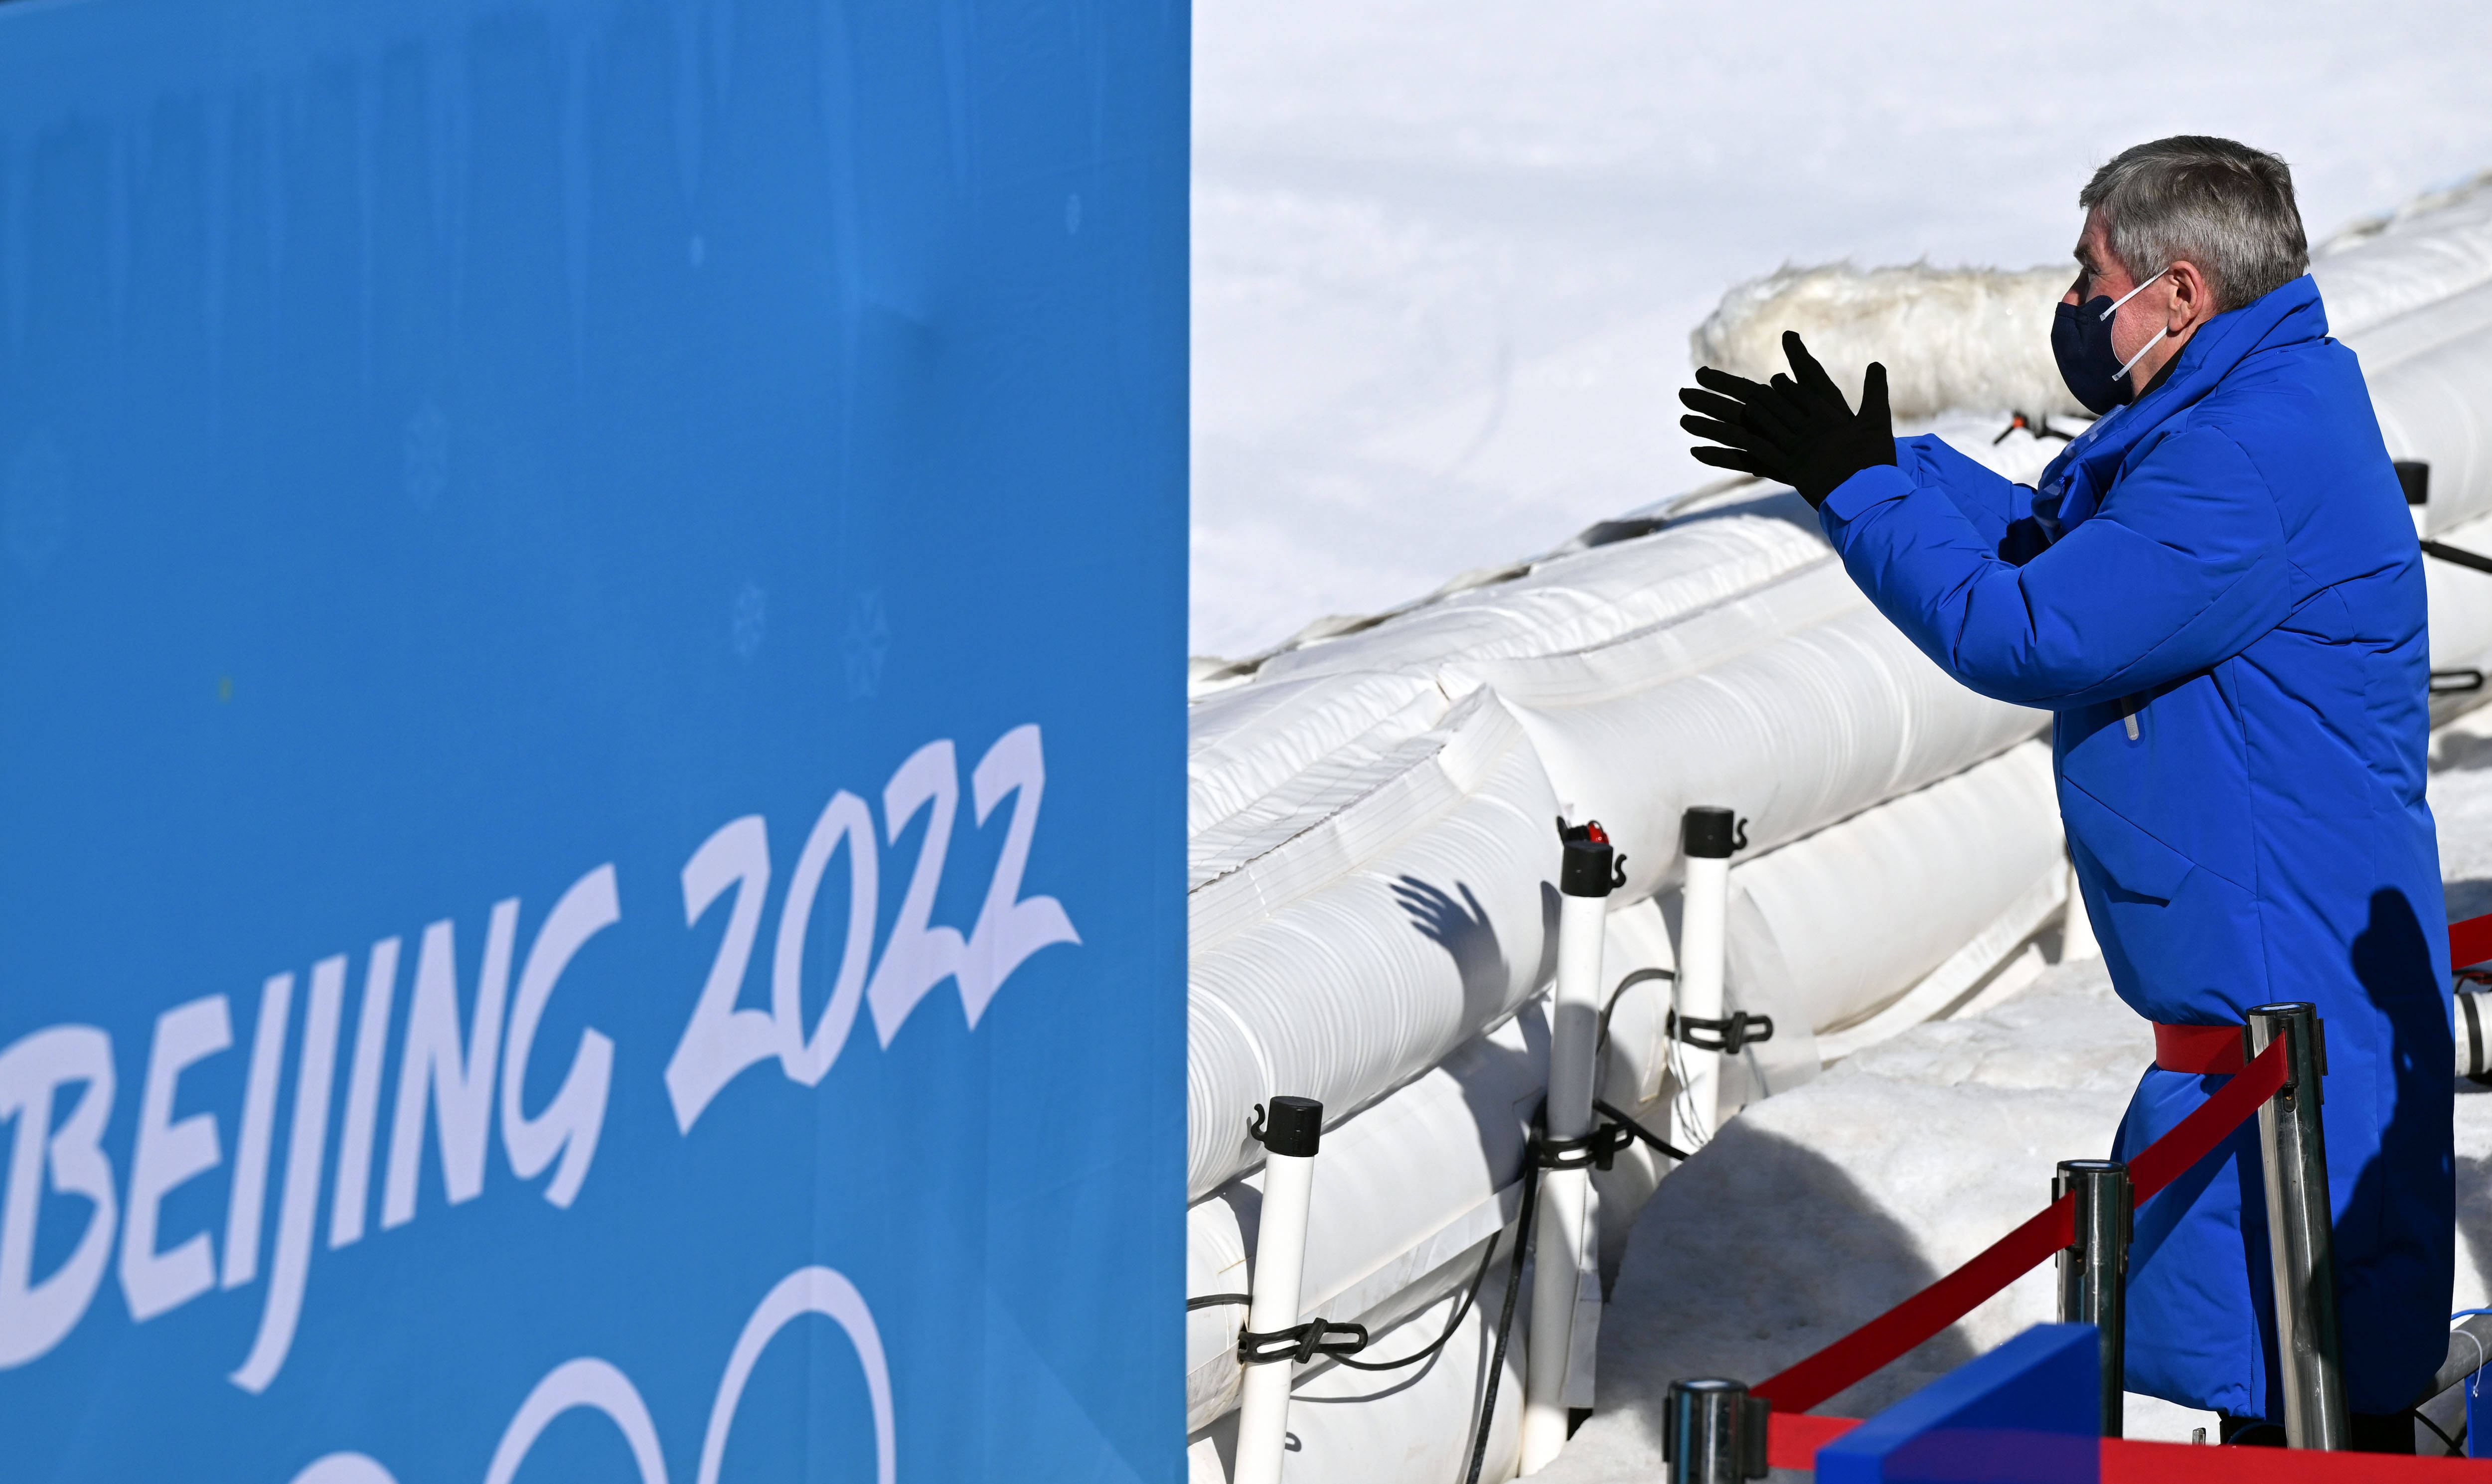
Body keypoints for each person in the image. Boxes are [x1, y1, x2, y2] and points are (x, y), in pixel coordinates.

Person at [1679, 136, 2454, 1452]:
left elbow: (2027, 630)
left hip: (2293, 1068)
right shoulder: (2244, 413)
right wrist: (1882, 463)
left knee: (2319, 1432)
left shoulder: (2243, 462)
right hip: (2257, 1049)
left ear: (2184, 293)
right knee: (2273, 1414)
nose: (2078, 307)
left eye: (2095, 278)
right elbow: (2074, 550)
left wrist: (1859, 493)